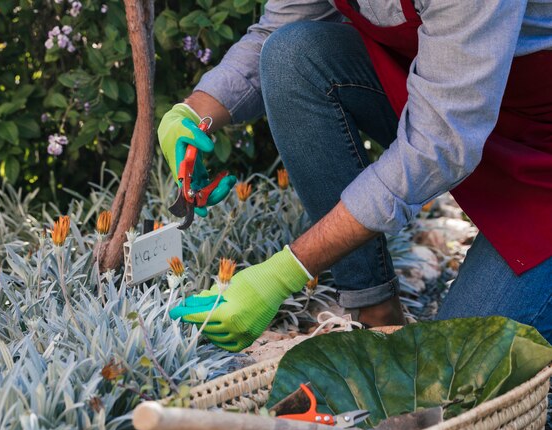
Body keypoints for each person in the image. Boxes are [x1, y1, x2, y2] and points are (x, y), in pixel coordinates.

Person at [159, 0, 552, 352]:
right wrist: (192, 114)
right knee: (292, 55)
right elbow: (277, 30)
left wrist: (283, 274)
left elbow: (439, 147)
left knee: (452, 371)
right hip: (458, 117)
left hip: (537, 158)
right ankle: (375, 313)